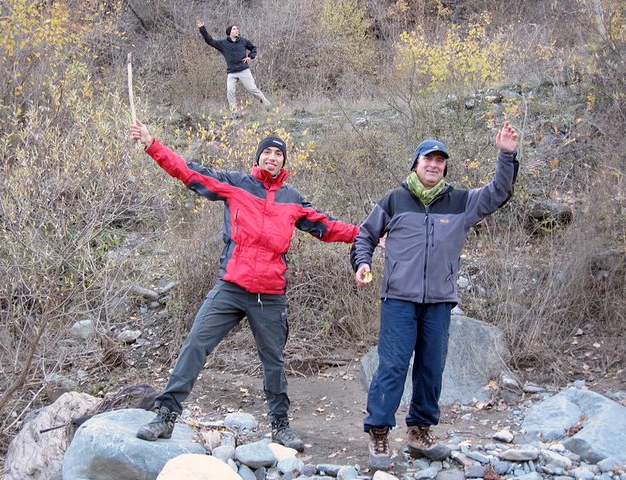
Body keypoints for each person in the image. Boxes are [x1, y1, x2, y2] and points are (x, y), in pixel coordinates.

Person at [130, 120, 359, 451]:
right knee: (195, 344)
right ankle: (165, 416)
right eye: (267, 151)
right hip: (231, 286)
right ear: (258, 157)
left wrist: (368, 234)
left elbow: (328, 227)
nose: (272, 157)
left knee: (274, 362)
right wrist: (153, 145)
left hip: (270, 294)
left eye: (278, 154)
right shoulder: (236, 184)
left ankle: (280, 426)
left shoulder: (292, 199)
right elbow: (188, 173)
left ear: (284, 162)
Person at [351, 122, 519, 469]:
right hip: (398, 298)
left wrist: (506, 154)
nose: (434, 164)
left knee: (431, 368)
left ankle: (419, 432)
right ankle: (379, 431)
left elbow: (499, 192)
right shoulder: (394, 200)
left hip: (440, 301)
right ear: (415, 163)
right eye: (428, 159)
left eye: (440, 161)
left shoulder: (460, 202)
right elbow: (365, 236)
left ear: (445, 167)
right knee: (393, 366)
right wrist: (362, 264)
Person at [196, 18, 271, 111]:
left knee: (253, 90)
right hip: (231, 72)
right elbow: (210, 41)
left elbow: (253, 48)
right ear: (229, 32)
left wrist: (250, 57)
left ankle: (268, 106)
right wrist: (202, 28)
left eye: (237, 29)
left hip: (243, 70)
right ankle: (234, 112)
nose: (236, 30)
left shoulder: (243, 41)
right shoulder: (223, 44)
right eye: (234, 29)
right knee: (230, 92)